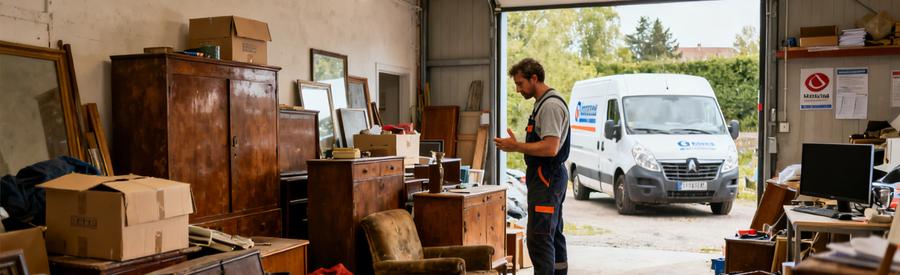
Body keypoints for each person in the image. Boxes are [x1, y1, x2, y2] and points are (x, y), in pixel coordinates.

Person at [495, 58, 570, 275]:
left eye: (520, 84)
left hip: (547, 178)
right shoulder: (543, 103)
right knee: (552, 235)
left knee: (540, 239)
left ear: (534, 78)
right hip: (547, 178)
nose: (518, 90)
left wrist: (517, 146)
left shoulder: (550, 106)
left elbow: (550, 147)